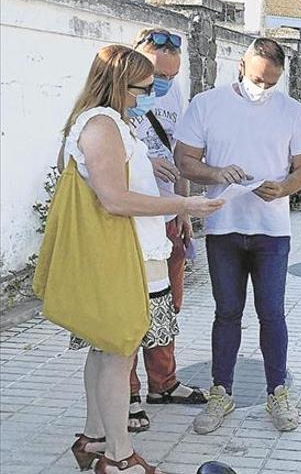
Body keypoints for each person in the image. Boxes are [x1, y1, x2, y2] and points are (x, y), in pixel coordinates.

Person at [56, 45, 223, 473]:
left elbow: (107, 176)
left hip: (125, 252)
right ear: (119, 85)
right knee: (119, 355)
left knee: (104, 350)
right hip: (124, 256)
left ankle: (95, 439)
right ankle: (119, 458)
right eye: (145, 88)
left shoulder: (106, 123)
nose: (150, 95)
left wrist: (144, 162)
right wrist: (186, 206)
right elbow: (113, 199)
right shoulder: (102, 125)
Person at [174, 38, 301, 434]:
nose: (264, 87)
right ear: (241, 65)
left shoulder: (292, 111)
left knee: (272, 313)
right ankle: (222, 391)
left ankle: (278, 392)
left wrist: (285, 187)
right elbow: (184, 161)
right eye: (258, 79)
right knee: (227, 313)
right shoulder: (207, 104)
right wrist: (216, 173)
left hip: (272, 232)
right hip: (223, 227)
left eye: (271, 82)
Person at [126, 28, 207, 433]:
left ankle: (163, 383)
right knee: (128, 311)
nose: (163, 84)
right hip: (130, 224)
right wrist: (141, 162)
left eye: (171, 77)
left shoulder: (174, 93)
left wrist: (184, 210)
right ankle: (127, 396)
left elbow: (179, 153)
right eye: (158, 75)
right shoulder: (115, 94)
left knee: (167, 307)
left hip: (169, 218)